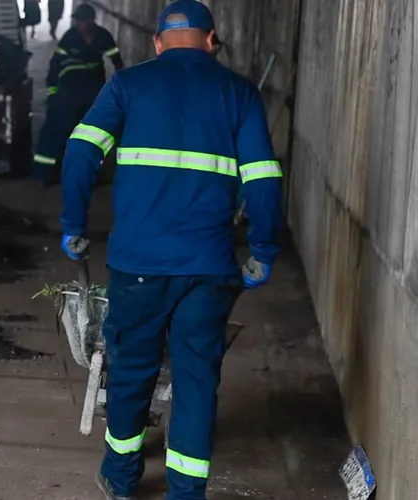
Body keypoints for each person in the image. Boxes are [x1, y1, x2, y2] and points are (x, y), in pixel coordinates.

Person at [58, 1, 283, 499]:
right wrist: (263, 250)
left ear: (157, 43)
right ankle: (186, 492)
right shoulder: (239, 94)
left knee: (130, 369)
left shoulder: (127, 85)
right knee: (197, 380)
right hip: (208, 268)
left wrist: (74, 224)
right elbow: (264, 180)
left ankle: (120, 479)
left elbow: (79, 151)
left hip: (138, 263)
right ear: (211, 40)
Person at [31, 4, 123, 185]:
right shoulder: (69, 37)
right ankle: (43, 173)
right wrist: (52, 93)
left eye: (82, 20)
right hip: (69, 91)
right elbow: (54, 67)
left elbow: (117, 61)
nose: (79, 24)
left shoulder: (103, 36)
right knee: (54, 131)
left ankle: (89, 174)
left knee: (91, 135)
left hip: (92, 91)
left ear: (91, 20)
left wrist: (118, 89)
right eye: (78, 20)